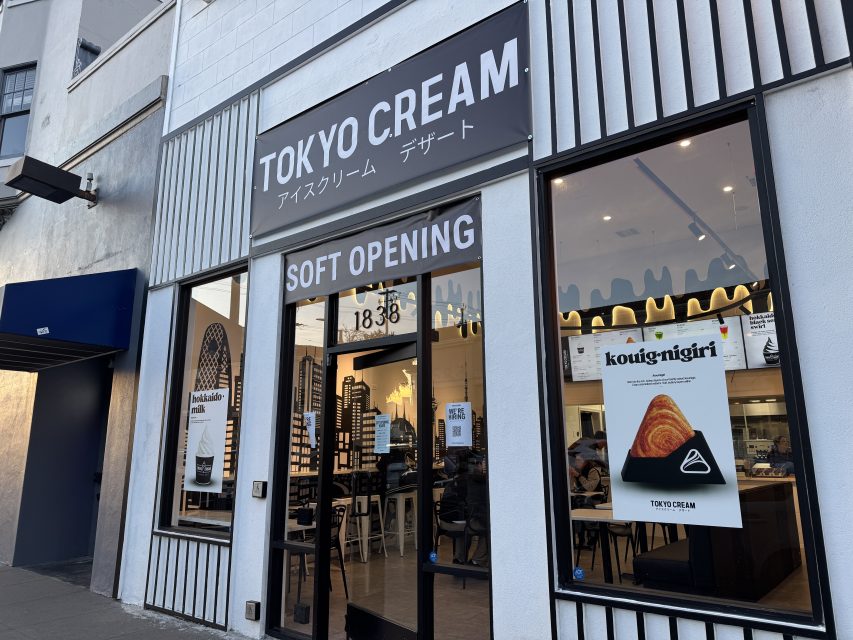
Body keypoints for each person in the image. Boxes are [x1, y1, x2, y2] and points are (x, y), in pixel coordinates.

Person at [437, 450, 489, 567]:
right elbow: (478, 510)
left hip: (445, 524)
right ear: (476, 464)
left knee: (464, 520)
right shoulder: (476, 482)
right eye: (482, 463)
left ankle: (459, 559)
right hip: (461, 525)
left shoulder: (454, 480)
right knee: (489, 527)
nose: (483, 465)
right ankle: (478, 561)